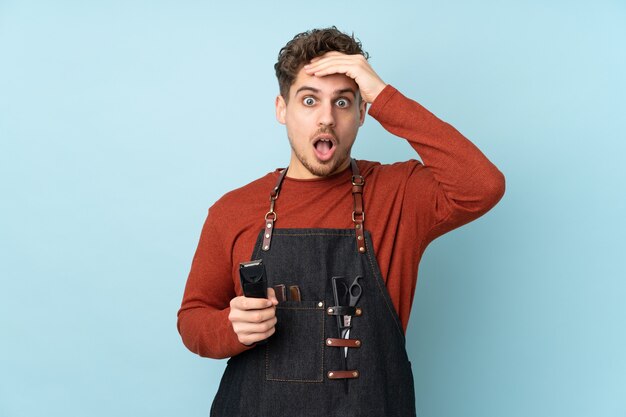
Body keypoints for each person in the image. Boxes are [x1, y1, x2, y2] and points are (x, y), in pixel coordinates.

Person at [177, 27, 505, 417]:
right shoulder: (234, 209)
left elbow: (483, 186)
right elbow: (193, 318)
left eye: (344, 102)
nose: (327, 119)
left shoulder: (399, 194)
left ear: (363, 112)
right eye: (310, 100)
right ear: (282, 109)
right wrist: (231, 330)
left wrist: (382, 94)